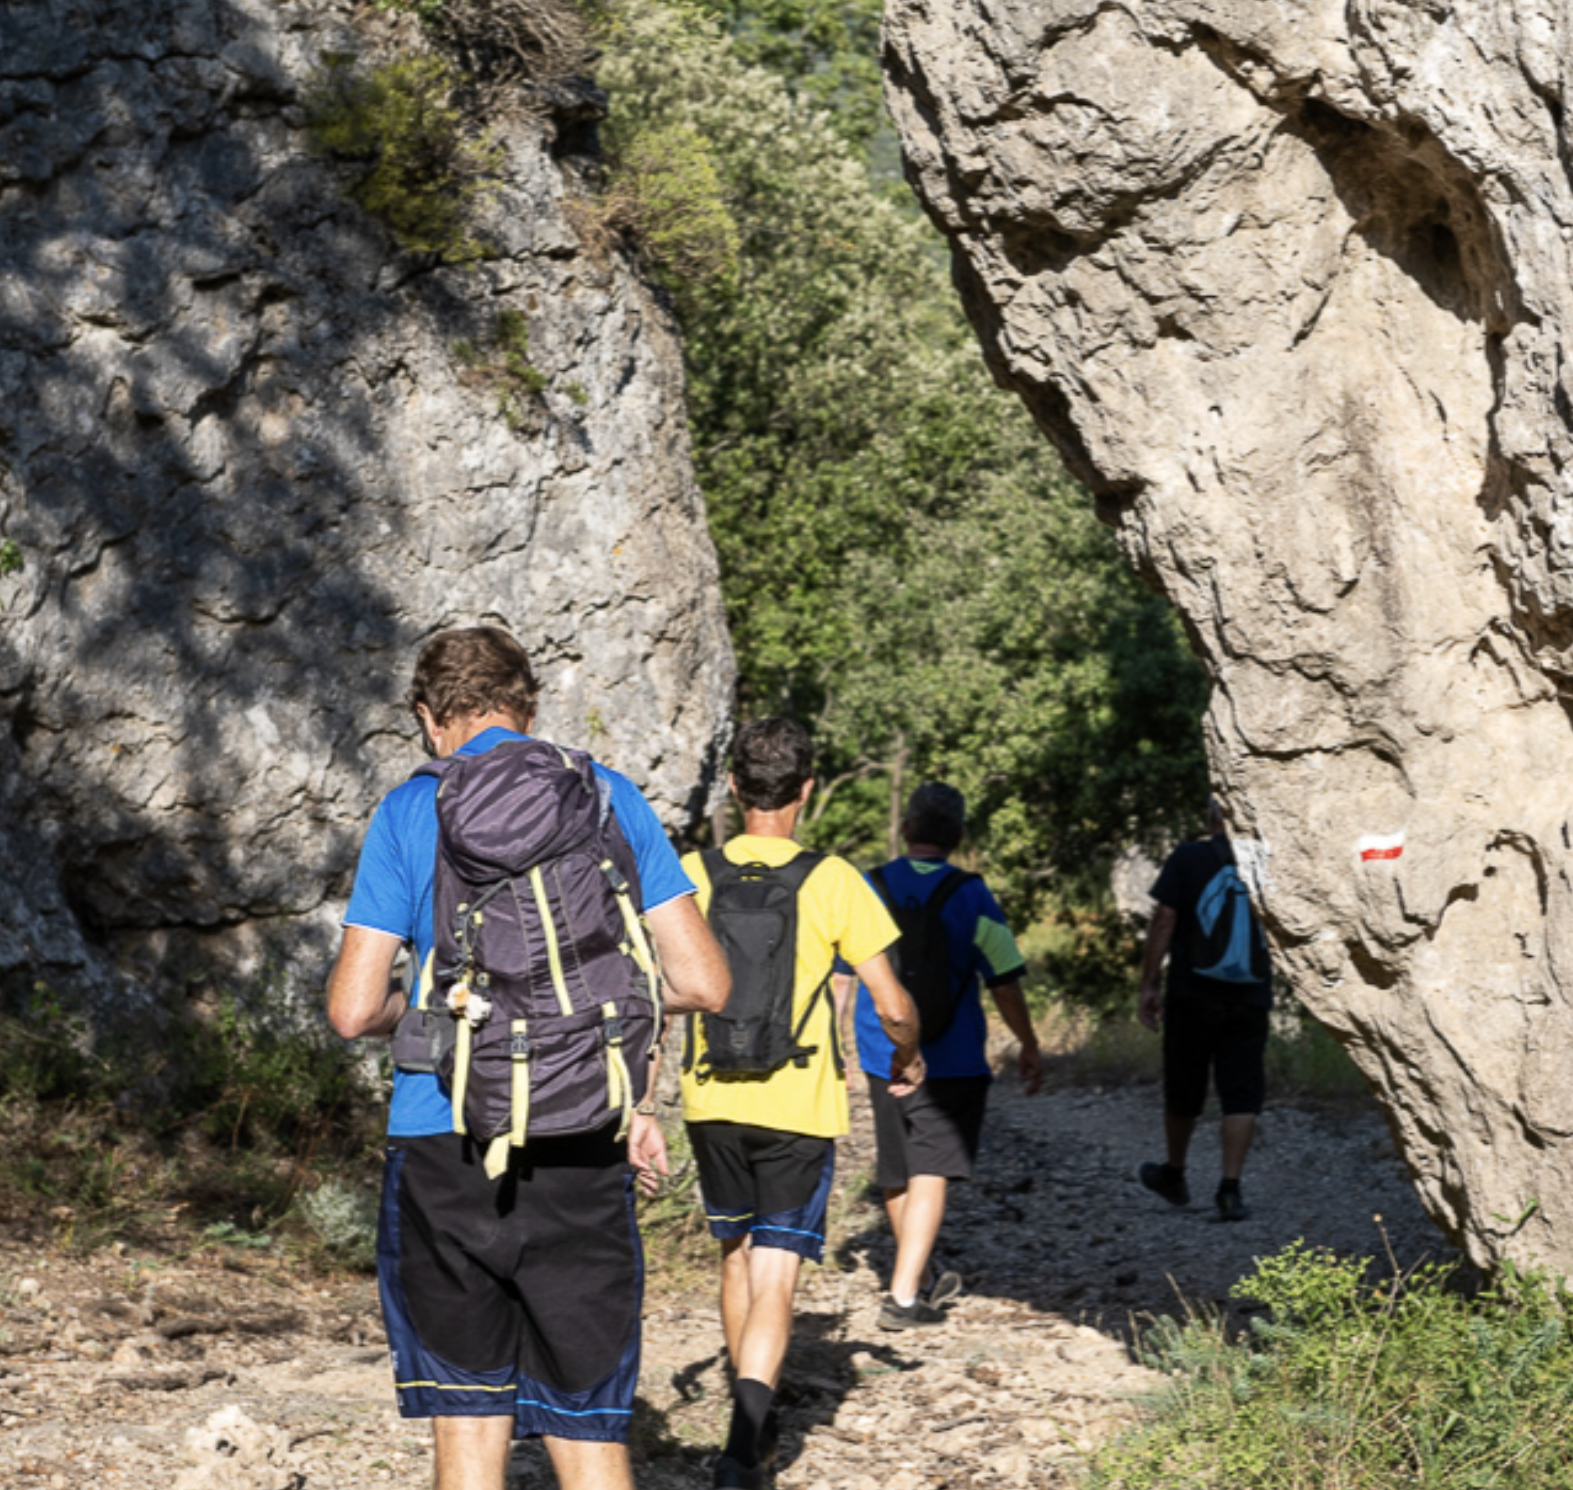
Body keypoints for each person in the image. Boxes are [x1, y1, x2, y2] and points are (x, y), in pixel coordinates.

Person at [326, 626, 729, 1490]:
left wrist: (428, 1014)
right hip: (582, 1136)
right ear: (531, 706)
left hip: (442, 1139)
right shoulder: (608, 797)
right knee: (588, 1436)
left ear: (430, 719)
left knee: (470, 1432)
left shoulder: (408, 810)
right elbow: (703, 982)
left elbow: (353, 1008)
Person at [677, 717, 924, 1490]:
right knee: (778, 1269)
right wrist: (908, 1054)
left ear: (732, 787)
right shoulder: (835, 880)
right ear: (807, 791)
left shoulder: (690, 872)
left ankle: (755, 1415)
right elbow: (889, 1003)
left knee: (736, 1254)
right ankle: (744, 1447)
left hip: (709, 1096)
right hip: (798, 1103)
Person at [856, 781, 1044, 1330]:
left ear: (906, 830)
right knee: (932, 1168)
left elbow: (843, 978)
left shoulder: (870, 887)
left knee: (897, 1170)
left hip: (881, 1049)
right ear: (958, 837)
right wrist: (1028, 1043)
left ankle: (922, 1272)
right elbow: (1005, 980)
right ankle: (905, 1297)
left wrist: (841, 1050)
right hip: (955, 1056)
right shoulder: (973, 894)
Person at [1135, 799, 1271, 1222]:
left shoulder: (1189, 858)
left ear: (1212, 818)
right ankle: (1230, 1189)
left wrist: (1149, 983)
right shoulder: (1267, 864)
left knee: (1184, 1085)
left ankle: (1175, 1173)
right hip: (1250, 995)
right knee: (1241, 1092)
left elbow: (1163, 921)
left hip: (1192, 994)